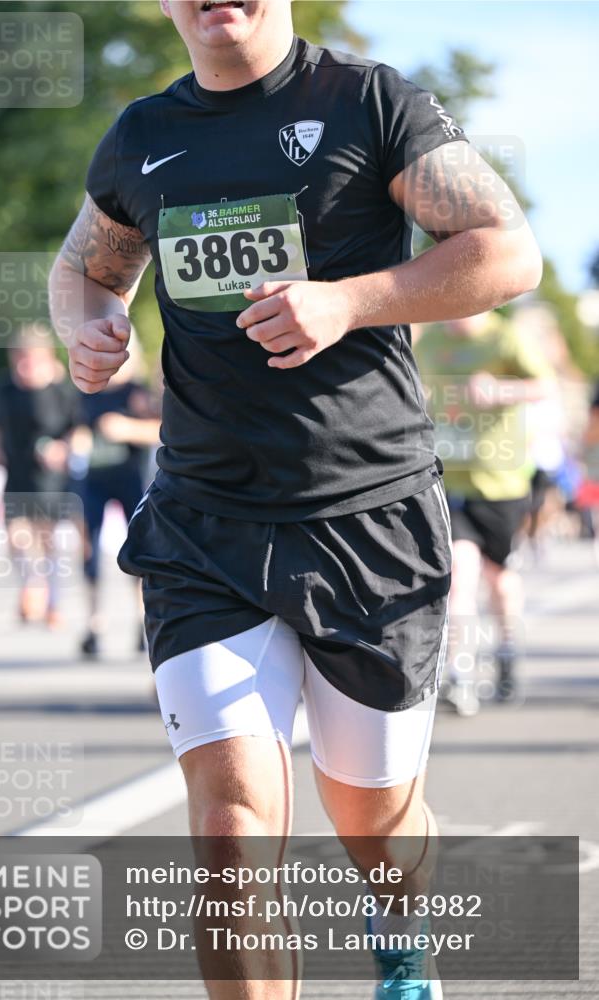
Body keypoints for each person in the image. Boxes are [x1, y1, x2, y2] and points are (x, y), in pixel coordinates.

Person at [49, 3, 542, 996]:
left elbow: (506, 250)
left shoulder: (367, 102)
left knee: (373, 819)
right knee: (230, 839)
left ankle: (401, 936)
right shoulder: (144, 135)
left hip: (367, 517)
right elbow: (83, 269)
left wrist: (348, 299)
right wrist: (93, 324)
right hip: (204, 521)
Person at [416, 313, 553, 714]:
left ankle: (507, 652)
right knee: (459, 573)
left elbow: (545, 386)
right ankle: (460, 674)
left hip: (502, 481)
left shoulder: (506, 338)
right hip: (451, 478)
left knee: (501, 581)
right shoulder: (430, 340)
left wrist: (501, 390)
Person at [69, 334, 161, 657]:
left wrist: (126, 428)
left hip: (131, 480)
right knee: (89, 551)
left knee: (136, 551)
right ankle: (94, 624)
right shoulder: (87, 392)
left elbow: (161, 430)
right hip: (94, 479)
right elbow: (77, 428)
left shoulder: (136, 391)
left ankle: (141, 621)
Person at [0, 326, 79, 626]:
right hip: (17, 474)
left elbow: (80, 430)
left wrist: (63, 450)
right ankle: (32, 584)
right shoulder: (5, 388)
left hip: (51, 480)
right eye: (19, 361)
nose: (24, 368)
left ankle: (53, 604)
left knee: (49, 543)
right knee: (16, 538)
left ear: (46, 358)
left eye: (30, 360)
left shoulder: (62, 390)